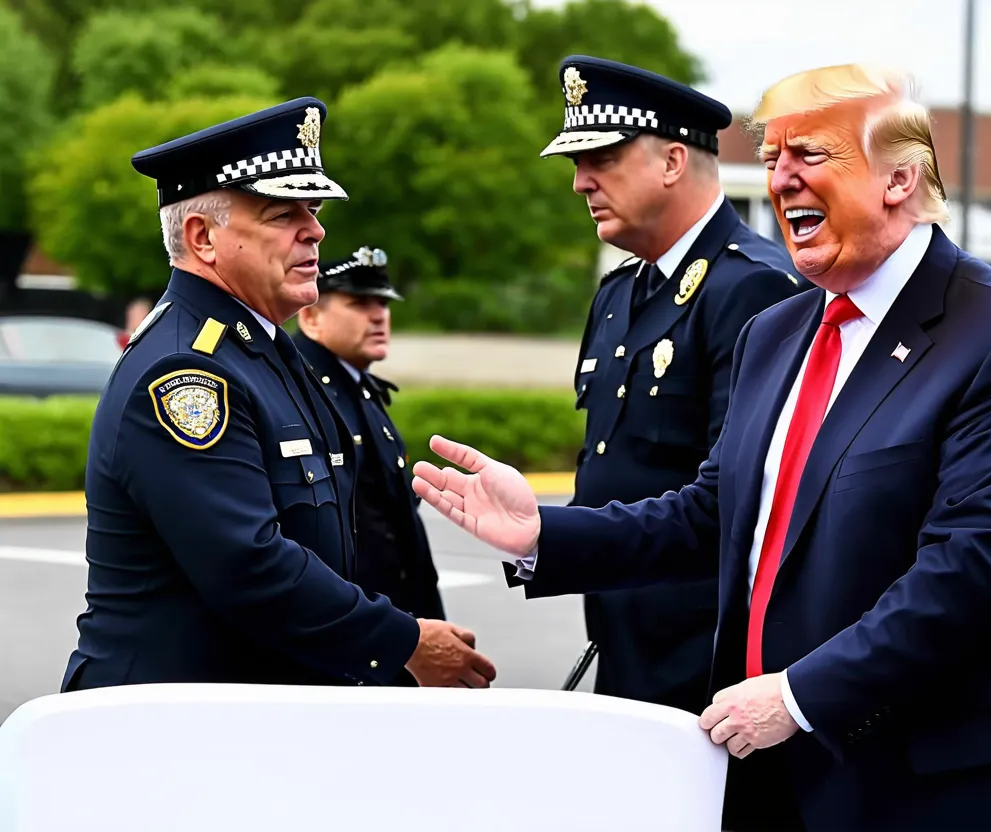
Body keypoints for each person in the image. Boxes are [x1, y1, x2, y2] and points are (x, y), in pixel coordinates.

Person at [413, 64, 991, 831]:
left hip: (971, 783)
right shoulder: (777, 332)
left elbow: (975, 570)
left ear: (899, 178)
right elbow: (718, 512)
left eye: (810, 155)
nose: (782, 181)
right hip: (806, 774)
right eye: (772, 160)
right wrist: (541, 531)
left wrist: (798, 694)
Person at [62, 97, 495, 693]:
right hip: (170, 729)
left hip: (248, 716)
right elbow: (249, 566)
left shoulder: (265, 349)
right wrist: (403, 643)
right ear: (202, 238)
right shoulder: (188, 371)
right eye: (281, 213)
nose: (315, 229)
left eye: (313, 209)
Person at [537, 55, 806, 714]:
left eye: (600, 159)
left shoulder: (753, 286)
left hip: (707, 668)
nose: (580, 183)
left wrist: (542, 535)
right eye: (577, 164)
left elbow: (738, 505)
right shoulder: (619, 293)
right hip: (625, 646)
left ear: (672, 162)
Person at [293, 245, 445, 624]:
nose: (379, 316)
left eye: (383, 303)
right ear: (311, 317)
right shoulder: (298, 390)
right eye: (360, 304)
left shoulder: (362, 388)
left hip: (393, 618)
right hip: (348, 627)